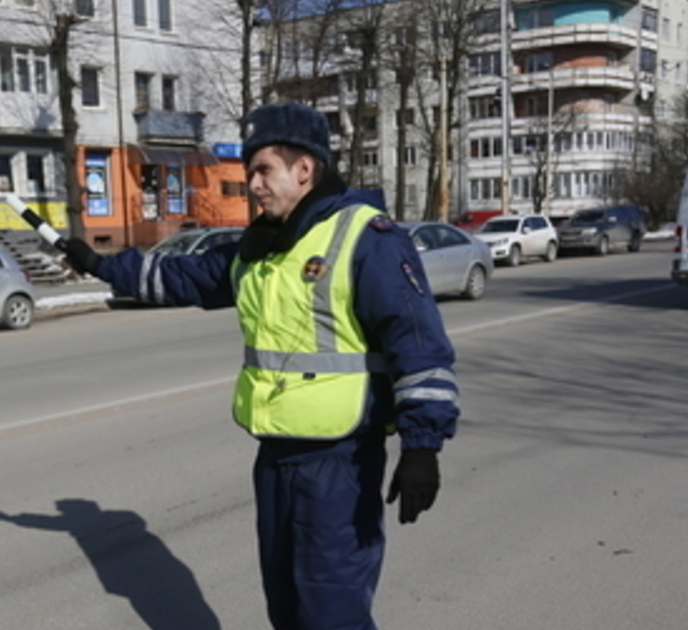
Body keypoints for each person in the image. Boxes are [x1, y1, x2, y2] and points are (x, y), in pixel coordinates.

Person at [60, 102, 459, 630]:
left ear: (304, 169)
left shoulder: (365, 237)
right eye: (250, 172)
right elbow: (185, 277)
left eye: (262, 170)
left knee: (332, 613)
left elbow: (418, 344)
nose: (252, 184)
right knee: (287, 609)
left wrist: (422, 446)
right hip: (275, 455)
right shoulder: (263, 247)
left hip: (340, 461)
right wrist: (103, 265)